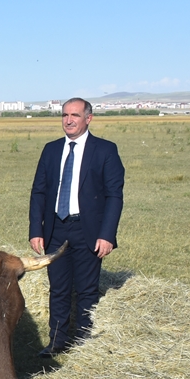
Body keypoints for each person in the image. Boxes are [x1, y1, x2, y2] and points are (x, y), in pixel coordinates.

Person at [29, 98, 125, 356]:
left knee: (86, 289)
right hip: (55, 229)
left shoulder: (105, 150)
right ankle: (56, 342)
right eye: (64, 115)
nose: (68, 120)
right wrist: (36, 230)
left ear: (88, 119)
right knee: (58, 288)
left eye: (74, 115)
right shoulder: (50, 150)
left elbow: (114, 196)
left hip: (88, 231)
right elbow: (38, 192)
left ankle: (83, 343)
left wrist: (107, 235)